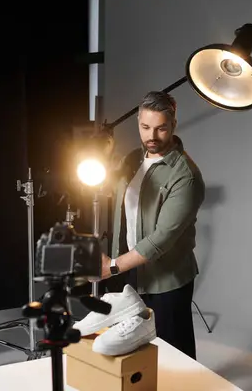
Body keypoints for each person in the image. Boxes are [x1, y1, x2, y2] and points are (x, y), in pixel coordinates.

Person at [99, 91, 205, 360]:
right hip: (130, 271)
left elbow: (161, 240)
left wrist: (110, 267)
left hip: (165, 282)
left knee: (173, 356)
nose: (152, 137)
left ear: (173, 126)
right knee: (131, 353)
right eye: (145, 127)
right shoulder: (134, 158)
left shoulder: (186, 176)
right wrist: (105, 156)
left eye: (161, 128)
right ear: (137, 122)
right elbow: (113, 195)